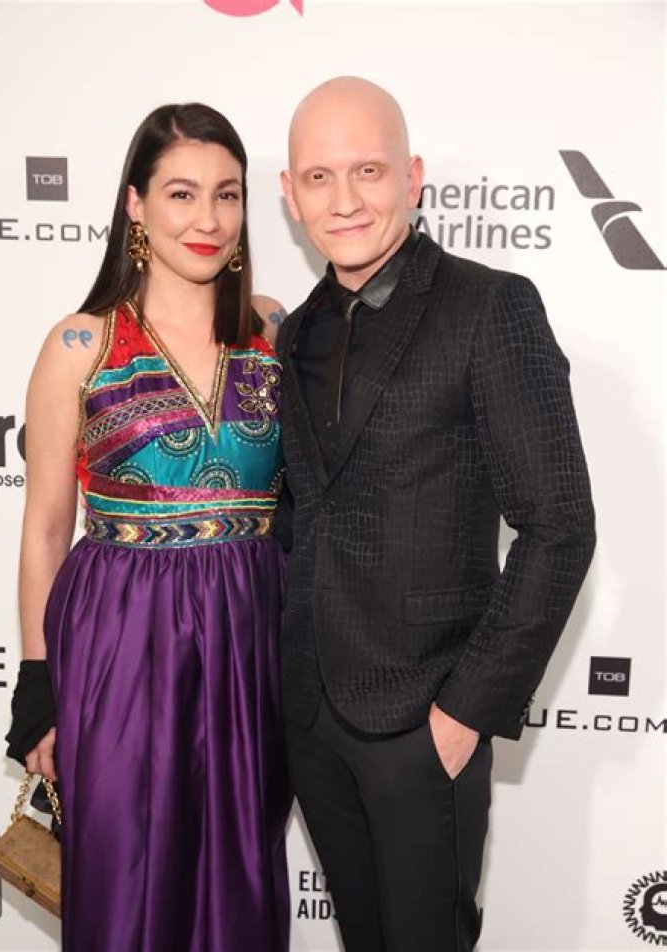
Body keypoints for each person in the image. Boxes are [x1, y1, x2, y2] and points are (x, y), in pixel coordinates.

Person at [277, 76, 596, 952]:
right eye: (319, 178)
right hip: (311, 719)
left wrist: (463, 714)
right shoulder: (294, 333)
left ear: (412, 176)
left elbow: (560, 525)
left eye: (368, 170)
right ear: (291, 194)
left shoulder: (489, 306)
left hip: (424, 723)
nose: (344, 201)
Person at [5, 103, 291, 952]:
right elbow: (46, 527)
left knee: (241, 869)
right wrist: (39, 684)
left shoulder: (272, 330)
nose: (208, 219)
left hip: (252, 635)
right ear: (135, 204)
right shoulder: (80, 345)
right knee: (127, 870)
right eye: (181, 193)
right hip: (123, 636)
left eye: (227, 195)